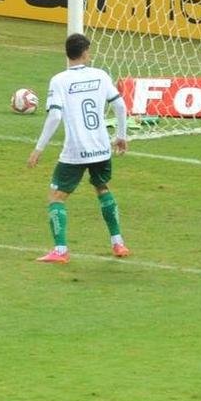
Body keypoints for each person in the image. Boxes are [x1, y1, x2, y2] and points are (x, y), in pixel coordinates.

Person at [27, 33, 130, 264]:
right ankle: (118, 242)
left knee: (56, 197)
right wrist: (121, 136)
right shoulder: (101, 75)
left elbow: (54, 116)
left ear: (67, 53)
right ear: (85, 53)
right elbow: (121, 106)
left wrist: (39, 148)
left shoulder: (59, 80)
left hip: (75, 150)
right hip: (101, 147)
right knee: (103, 189)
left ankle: (60, 250)